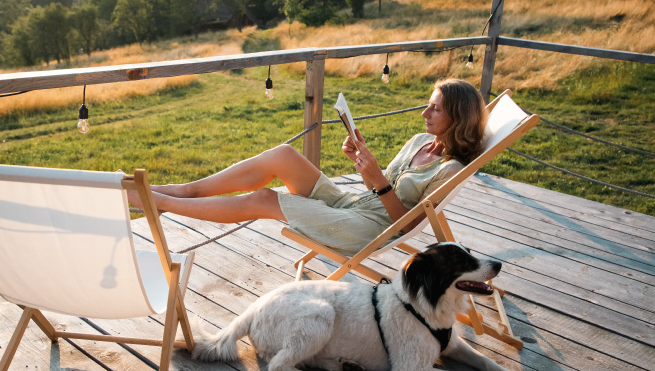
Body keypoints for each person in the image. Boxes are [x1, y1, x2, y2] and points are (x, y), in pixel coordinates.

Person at [128, 78, 487, 255]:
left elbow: (407, 224)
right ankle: (182, 190)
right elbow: (375, 188)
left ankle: (154, 202)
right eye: (428, 105)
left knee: (266, 199)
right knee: (284, 155)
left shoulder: (449, 170)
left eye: (435, 109)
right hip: (356, 206)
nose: (424, 113)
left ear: (457, 117)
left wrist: (378, 181)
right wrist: (362, 164)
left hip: (369, 231)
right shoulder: (418, 142)